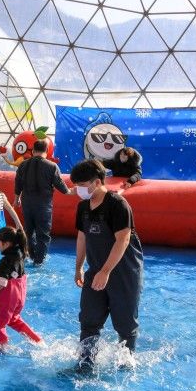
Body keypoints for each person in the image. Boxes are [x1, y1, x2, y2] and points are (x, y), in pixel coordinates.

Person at [70, 159, 144, 372]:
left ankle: (125, 366)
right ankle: (85, 364)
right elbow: (82, 237)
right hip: (96, 270)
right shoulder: (83, 207)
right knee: (89, 319)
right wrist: (78, 267)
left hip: (124, 272)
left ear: (97, 181)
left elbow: (123, 240)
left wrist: (106, 271)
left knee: (125, 324)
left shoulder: (117, 204)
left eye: (82, 185)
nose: (79, 190)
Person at [0, 227, 42, 352]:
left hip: (8, 298)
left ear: (6, 244)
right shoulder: (21, 251)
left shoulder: (5, 261)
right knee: (14, 319)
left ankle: (1, 346)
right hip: (20, 294)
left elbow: (2, 283)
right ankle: (37, 340)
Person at [13, 139, 73, 266]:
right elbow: (60, 185)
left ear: (33, 151)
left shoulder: (23, 165)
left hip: (27, 204)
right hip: (43, 206)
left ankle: (32, 255)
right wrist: (69, 191)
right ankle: (39, 262)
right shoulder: (52, 166)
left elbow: (18, 183)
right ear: (46, 151)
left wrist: (16, 199)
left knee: (29, 232)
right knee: (43, 234)